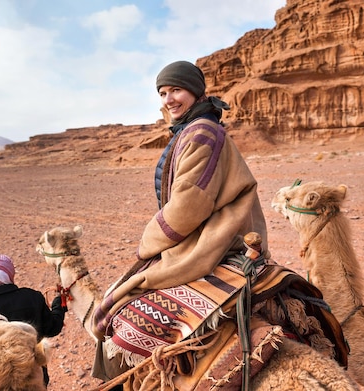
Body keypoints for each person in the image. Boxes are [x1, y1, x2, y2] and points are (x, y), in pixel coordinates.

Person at [91, 60, 269, 381]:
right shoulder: (195, 127)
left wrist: (148, 243)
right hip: (205, 232)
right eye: (162, 92)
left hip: (216, 238)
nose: (168, 99)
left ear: (195, 92)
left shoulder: (202, 131)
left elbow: (190, 204)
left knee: (118, 311)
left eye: (176, 90)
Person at [0, 254, 66, 386]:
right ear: (9, 275)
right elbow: (53, 327)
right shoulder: (31, 297)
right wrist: (58, 305)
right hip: (32, 382)